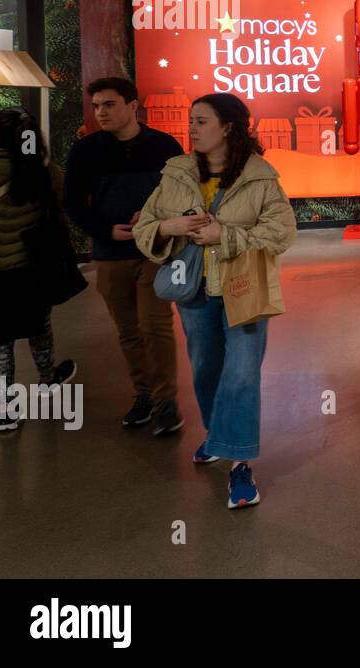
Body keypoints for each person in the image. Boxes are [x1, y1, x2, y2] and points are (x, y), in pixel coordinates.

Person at [133, 94, 295, 509]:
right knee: (205, 368)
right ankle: (217, 435)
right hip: (193, 290)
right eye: (191, 121)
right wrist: (170, 225)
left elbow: (281, 235)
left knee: (241, 374)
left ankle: (239, 465)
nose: (192, 128)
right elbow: (145, 226)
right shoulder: (176, 174)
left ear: (228, 128)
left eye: (202, 121)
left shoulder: (261, 178)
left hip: (246, 288)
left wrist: (226, 236)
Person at [64, 77, 185, 434]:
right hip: (111, 253)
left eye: (109, 104)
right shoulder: (86, 150)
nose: (101, 112)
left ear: (133, 106)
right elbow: (72, 202)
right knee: (129, 330)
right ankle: (144, 395)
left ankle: (166, 402)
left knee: (156, 325)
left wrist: (156, 217)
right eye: (97, 105)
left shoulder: (164, 145)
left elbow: (182, 193)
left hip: (157, 249)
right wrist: (104, 230)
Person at [0, 109, 77, 432]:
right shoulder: (45, 171)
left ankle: (6, 410)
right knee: (38, 324)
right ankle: (48, 378)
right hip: (31, 267)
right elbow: (64, 210)